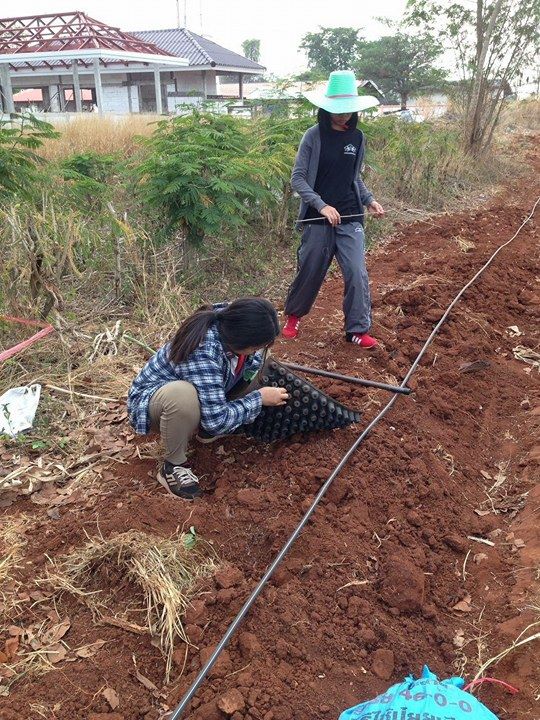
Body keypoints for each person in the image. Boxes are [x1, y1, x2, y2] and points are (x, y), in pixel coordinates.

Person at [127, 298, 287, 500]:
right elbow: (216, 422)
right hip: (153, 405)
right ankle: (172, 466)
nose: (257, 352)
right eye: (255, 347)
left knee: (249, 374)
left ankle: (204, 428)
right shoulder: (204, 350)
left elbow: (252, 364)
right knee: (182, 396)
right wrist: (258, 399)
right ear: (242, 340)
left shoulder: (229, 322)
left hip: (202, 390)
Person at [282, 70, 385, 348]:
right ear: (326, 108)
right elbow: (298, 179)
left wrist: (369, 200)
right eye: (338, 111)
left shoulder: (358, 138)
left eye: (348, 110)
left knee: (356, 271)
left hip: (350, 215)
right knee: (311, 268)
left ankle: (357, 330)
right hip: (318, 217)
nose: (343, 116)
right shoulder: (313, 136)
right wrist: (321, 205)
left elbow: (354, 177)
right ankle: (294, 316)